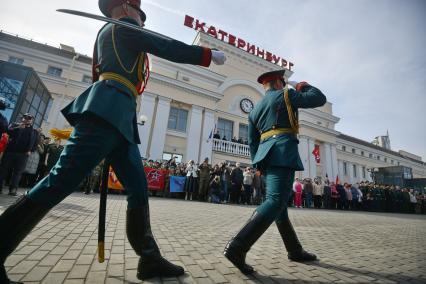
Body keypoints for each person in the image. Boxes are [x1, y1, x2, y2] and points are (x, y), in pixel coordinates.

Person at [0, 0, 226, 282]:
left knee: (138, 187)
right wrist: (206, 55)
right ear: (126, 8)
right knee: (59, 182)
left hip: (120, 117)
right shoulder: (123, 27)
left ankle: (149, 259)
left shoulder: (115, 32)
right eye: (140, 14)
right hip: (107, 112)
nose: (142, 21)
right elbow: (166, 47)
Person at [223, 69, 326, 274]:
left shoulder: (255, 108)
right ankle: (237, 247)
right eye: (283, 82)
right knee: (275, 201)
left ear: (265, 85)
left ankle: (294, 250)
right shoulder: (286, 94)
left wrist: (257, 164)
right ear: (279, 83)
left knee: (279, 205)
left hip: (265, 156)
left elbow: (252, 141)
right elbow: (318, 98)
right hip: (282, 151)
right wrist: (301, 86)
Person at [0, 113, 38, 196]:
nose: (27, 119)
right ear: (22, 118)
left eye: (29, 118)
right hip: (10, 152)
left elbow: (35, 144)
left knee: (18, 172)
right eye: (25, 117)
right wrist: (18, 127)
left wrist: (30, 151)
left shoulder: (34, 131)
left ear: (32, 120)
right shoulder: (14, 125)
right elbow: (6, 131)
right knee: (3, 170)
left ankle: (13, 189)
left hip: (23, 155)